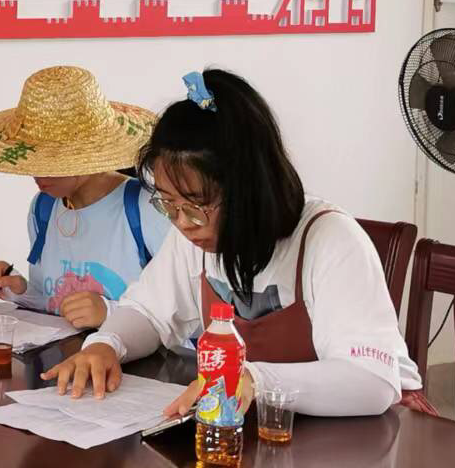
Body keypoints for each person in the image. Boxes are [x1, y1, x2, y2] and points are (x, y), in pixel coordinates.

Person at [43, 69, 424, 418]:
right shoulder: (194, 239)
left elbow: (372, 383)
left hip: (371, 435)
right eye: (168, 205)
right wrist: (106, 344)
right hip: (266, 427)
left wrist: (255, 379)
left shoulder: (331, 241)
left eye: (196, 206)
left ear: (249, 190)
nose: (182, 223)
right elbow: (149, 312)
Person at [0, 66, 170, 329]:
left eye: (51, 160)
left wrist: (110, 313)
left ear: (88, 154)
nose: (37, 174)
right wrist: (18, 290)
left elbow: (186, 312)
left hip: (133, 355)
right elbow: (55, 303)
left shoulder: (148, 208)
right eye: (32, 158)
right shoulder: (43, 207)